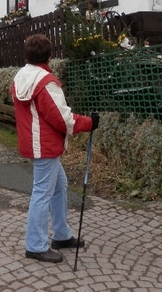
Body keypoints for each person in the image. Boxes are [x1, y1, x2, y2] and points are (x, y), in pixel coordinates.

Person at [11, 34, 99, 264]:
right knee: (42, 193)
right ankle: (36, 246)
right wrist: (89, 122)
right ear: (49, 56)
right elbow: (62, 118)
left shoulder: (20, 77)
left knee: (59, 185)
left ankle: (61, 235)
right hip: (46, 145)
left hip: (34, 142)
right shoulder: (45, 81)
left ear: (27, 54)